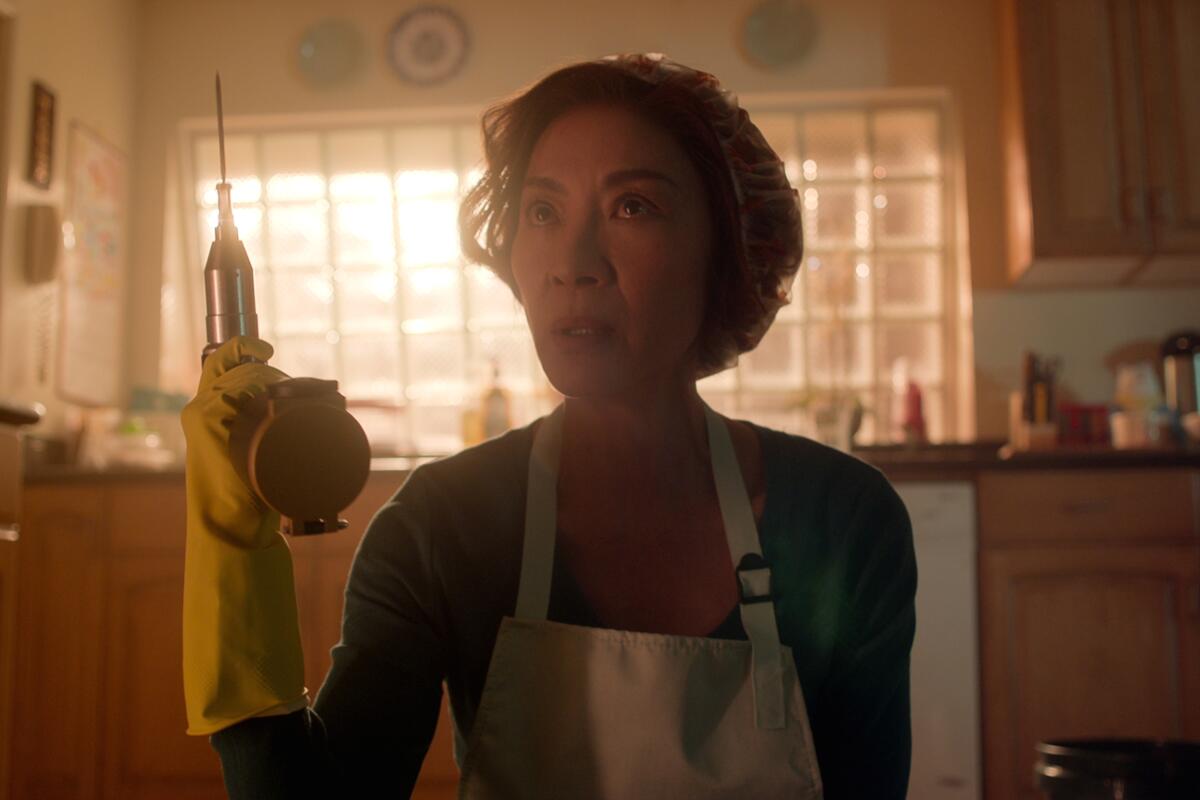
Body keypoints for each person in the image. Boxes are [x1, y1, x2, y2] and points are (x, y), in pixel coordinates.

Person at [181, 53, 917, 799]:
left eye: (633, 206)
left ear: (726, 249)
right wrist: (231, 558)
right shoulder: (442, 527)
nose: (572, 263)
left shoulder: (843, 522)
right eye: (542, 212)